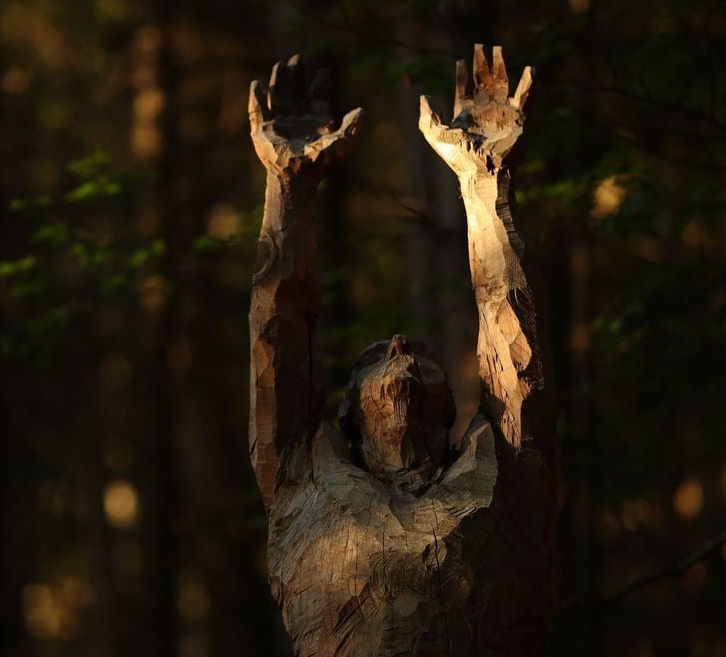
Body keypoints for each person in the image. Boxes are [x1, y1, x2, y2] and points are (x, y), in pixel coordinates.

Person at [247, 46, 557, 656]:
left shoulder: (503, 472)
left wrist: (483, 179)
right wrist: (288, 185)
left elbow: (512, 337)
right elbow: (275, 334)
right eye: (378, 356)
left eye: (413, 351)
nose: (396, 345)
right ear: (347, 419)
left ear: (449, 413)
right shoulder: (299, 479)